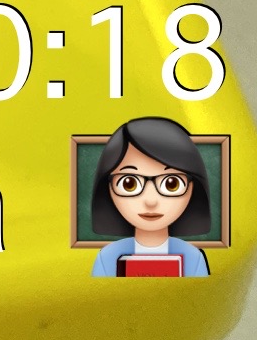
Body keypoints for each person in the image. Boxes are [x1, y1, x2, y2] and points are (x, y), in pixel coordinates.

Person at [86, 118, 214, 277]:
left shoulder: (194, 259)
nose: (151, 201)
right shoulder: (106, 258)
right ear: (109, 188)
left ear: (191, 188)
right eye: (129, 183)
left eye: (171, 184)